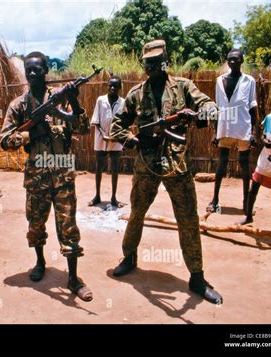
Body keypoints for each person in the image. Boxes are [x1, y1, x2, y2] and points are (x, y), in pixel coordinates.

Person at [110, 40, 223, 304]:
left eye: (155, 62)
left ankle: (196, 276)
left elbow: (207, 104)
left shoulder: (183, 87)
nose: (150, 67)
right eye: (146, 63)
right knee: (137, 213)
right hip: (146, 165)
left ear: (165, 62)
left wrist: (204, 114)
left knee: (188, 220)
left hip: (177, 164)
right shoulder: (136, 94)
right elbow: (117, 125)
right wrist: (135, 140)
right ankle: (129, 257)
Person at [0, 51, 93, 301]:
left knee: (69, 227)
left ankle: (73, 279)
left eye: (37, 69)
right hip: (36, 177)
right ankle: (40, 263)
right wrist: (32, 134)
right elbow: (5, 140)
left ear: (46, 70)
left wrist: (74, 102)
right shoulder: (19, 105)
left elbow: (83, 128)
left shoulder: (61, 99)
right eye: (28, 70)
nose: (32, 74)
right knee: (36, 225)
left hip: (62, 175)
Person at [237, 93, 271, 248]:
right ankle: (248, 216)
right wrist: (264, 141)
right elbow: (263, 135)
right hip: (265, 163)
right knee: (253, 189)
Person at [208, 49, 258, 213]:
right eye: (230, 59)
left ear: (242, 60)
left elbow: (252, 107)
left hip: (243, 126)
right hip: (225, 125)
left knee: (244, 164)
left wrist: (253, 132)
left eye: (236, 59)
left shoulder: (249, 81)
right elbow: (217, 106)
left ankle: (246, 201)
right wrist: (215, 130)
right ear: (227, 61)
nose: (233, 62)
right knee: (221, 164)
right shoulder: (219, 80)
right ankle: (215, 200)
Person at [89, 75, 125, 208]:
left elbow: (124, 122)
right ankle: (97, 195)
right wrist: (103, 134)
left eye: (116, 86)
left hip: (116, 140)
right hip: (100, 138)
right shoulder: (100, 100)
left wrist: (118, 135)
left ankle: (113, 198)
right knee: (99, 168)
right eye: (110, 85)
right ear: (107, 86)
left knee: (115, 169)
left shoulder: (123, 102)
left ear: (120, 87)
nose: (113, 88)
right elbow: (96, 120)